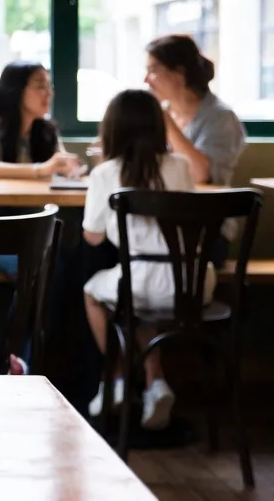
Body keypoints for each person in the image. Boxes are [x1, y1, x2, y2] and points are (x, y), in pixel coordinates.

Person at [82, 89, 209, 431]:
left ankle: (120, 376)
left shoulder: (106, 173)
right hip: (192, 282)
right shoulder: (180, 167)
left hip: (138, 280)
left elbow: (92, 236)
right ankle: (156, 383)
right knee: (134, 293)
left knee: (98, 293)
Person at [0, 62, 82, 276]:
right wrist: (41, 169)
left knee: (68, 262)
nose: (48, 93)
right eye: (40, 86)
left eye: (49, 85)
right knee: (33, 268)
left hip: (35, 221)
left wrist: (70, 169)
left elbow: (61, 165)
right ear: (16, 90)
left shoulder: (46, 131)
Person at [144, 35, 245, 188]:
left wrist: (167, 123)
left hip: (205, 208)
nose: (146, 80)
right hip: (164, 205)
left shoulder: (220, 117)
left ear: (179, 74)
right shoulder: (166, 113)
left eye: (153, 71)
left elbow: (199, 174)